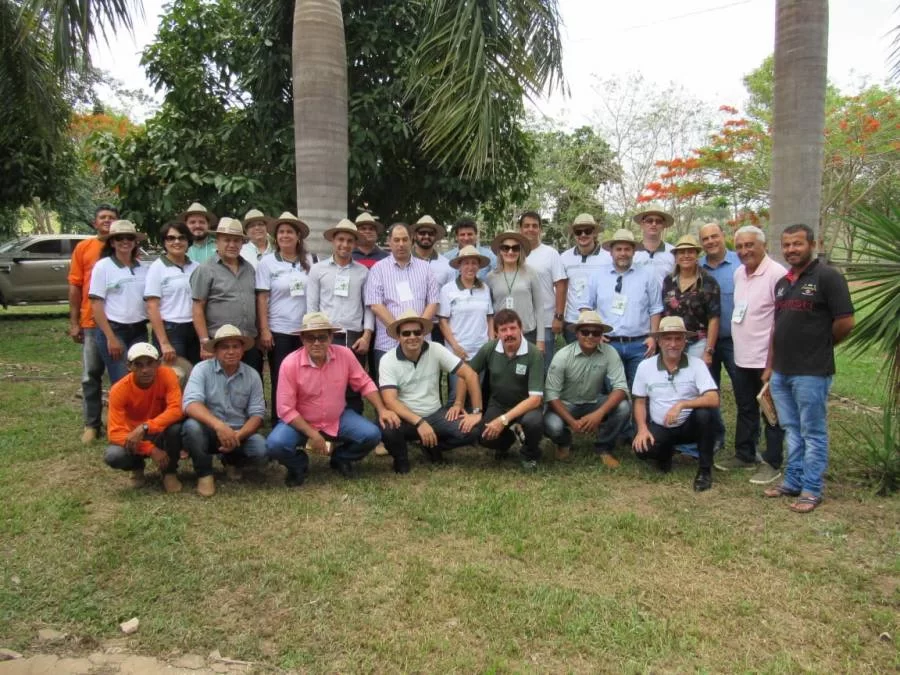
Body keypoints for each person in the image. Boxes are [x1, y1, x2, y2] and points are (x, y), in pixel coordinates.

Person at [763, 224, 854, 513]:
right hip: (782, 371)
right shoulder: (784, 282)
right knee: (791, 429)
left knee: (812, 431)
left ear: (812, 244)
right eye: (787, 245)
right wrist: (771, 365)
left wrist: (821, 346)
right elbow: (778, 327)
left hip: (812, 371)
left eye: (797, 244)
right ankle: (792, 481)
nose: (791, 250)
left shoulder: (828, 277)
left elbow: (845, 322)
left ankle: (811, 489)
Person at [265, 313, 400, 485]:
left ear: (331, 337)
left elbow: (365, 383)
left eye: (322, 337)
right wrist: (312, 434)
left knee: (372, 435)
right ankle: (298, 465)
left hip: (336, 418)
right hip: (300, 422)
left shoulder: (345, 355)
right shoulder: (289, 364)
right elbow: (285, 409)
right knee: (274, 445)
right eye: (310, 338)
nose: (316, 343)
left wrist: (382, 409)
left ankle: (341, 458)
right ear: (302, 339)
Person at [714, 225, 786, 484]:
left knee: (771, 410)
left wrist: (772, 362)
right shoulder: (738, 274)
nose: (744, 251)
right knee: (746, 407)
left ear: (763, 245)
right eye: (740, 246)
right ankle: (745, 454)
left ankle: (772, 461)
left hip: (765, 358)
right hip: (741, 355)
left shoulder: (777, 275)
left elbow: (781, 321)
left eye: (750, 245)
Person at [379, 311, 484, 470]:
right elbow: (390, 400)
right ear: (398, 337)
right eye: (406, 333)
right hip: (406, 418)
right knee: (387, 429)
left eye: (417, 332)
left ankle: (432, 446)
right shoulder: (387, 360)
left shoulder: (436, 349)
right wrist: (419, 422)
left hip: (435, 414)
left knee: (474, 430)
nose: (412, 336)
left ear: (424, 334)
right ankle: (401, 459)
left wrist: (475, 411)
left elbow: (470, 375)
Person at [631, 317, 720, 492]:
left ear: (685, 341)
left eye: (678, 338)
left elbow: (714, 398)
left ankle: (704, 470)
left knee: (705, 414)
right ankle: (665, 454)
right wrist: (642, 429)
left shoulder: (697, 364)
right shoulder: (645, 366)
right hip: (661, 426)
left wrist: (682, 405)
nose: (673, 344)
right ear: (659, 341)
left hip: (689, 426)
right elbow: (640, 401)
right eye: (668, 338)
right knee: (642, 451)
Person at [181, 325, 268, 497]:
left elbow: (257, 414)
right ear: (215, 350)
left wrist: (238, 436)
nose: (231, 351)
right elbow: (191, 404)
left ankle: (232, 461)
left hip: (238, 433)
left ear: (242, 350)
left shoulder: (252, 375)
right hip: (210, 430)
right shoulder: (201, 369)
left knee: (261, 450)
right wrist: (219, 426)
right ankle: (205, 473)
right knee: (192, 427)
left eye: (235, 346)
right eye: (225, 347)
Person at [544, 310, 631, 466]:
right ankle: (564, 442)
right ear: (577, 333)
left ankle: (604, 447)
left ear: (601, 335)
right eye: (585, 331)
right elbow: (551, 395)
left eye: (596, 333)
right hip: (565, 404)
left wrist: (599, 414)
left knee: (624, 407)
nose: (590, 336)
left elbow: (621, 388)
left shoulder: (610, 352)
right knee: (552, 426)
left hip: (593, 402)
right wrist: (572, 422)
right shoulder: (563, 356)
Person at [307, 219, 375, 413]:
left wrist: (367, 335)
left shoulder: (363, 272)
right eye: (341, 239)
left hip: (354, 335)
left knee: (353, 384)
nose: (345, 245)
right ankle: (325, 425)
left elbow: (368, 306)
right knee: (323, 382)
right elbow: (312, 307)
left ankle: (353, 424)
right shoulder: (318, 270)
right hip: (326, 334)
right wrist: (314, 336)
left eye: (349, 241)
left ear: (354, 244)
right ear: (333, 241)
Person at [255, 212, 315, 423]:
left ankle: (304, 420)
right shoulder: (267, 263)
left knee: (306, 377)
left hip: (305, 331)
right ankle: (280, 421)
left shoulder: (311, 259)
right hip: (278, 330)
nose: (285, 235)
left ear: (298, 236)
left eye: (290, 231)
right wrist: (264, 330)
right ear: (276, 236)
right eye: (281, 232)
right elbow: (262, 298)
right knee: (281, 377)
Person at [467, 309, 545, 471]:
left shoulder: (534, 354)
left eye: (512, 328)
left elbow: (535, 399)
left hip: (526, 407)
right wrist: (462, 403)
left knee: (533, 423)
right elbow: (467, 372)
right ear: (496, 333)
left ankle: (529, 453)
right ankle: (507, 439)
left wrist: (502, 420)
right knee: (483, 435)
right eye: (503, 330)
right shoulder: (489, 349)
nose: (509, 333)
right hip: (499, 403)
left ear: (520, 329)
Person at [103, 343, 184, 493]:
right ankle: (137, 467)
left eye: (150, 364)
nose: (145, 370)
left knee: (176, 429)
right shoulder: (119, 390)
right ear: (129, 366)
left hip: (159, 431)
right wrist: (150, 449)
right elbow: (114, 433)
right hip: (133, 437)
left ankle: (169, 472)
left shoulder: (168, 375)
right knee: (114, 455)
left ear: (158, 363)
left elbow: (176, 409)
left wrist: (145, 426)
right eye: (138, 365)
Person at [587, 228, 662, 388]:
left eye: (627, 249)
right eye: (618, 249)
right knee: (612, 391)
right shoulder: (597, 276)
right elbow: (586, 307)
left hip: (640, 345)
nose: (623, 253)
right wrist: (595, 334)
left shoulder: (647, 276)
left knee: (640, 391)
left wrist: (653, 337)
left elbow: (655, 309)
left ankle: (637, 414)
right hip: (608, 344)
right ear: (611, 252)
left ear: (634, 251)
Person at [68, 203, 118, 444]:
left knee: (120, 376)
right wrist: (74, 321)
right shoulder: (84, 248)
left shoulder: (126, 248)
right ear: (94, 222)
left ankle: (117, 422)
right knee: (91, 375)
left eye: (112, 217)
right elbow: (75, 286)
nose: (107, 221)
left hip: (119, 323)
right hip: (90, 321)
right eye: (103, 217)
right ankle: (91, 424)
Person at [191, 217, 262, 374]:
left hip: (246, 341)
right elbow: (197, 307)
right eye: (227, 240)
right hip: (219, 343)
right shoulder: (206, 269)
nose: (232, 245)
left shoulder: (249, 268)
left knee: (249, 385)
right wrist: (204, 341)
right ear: (217, 241)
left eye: (237, 241)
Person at [364, 223, 440, 366]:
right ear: (389, 242)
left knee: (423, 387)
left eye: (405, 239)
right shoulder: (378, 269)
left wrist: (417, 333)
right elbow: (376, 305)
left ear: (411, 240)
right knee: (390, 388)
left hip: (421, 344)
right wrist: (400, 333)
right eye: (397, 240)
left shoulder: (426, 268)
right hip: (388, 344)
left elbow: (433, 302)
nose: (401, 244)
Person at [88, 220, 149, 385]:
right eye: (119, 238)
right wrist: (110, 337)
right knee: (122, 381)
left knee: (140, 379)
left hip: (139, 330)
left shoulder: (143, 268)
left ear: (135, 241)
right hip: (114, 330)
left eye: (129, 237)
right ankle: (119, 411)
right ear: (112, 242)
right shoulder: (103, 267)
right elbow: (96, 304)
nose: (125, 242)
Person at [699, 222, 741, 450]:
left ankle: (747, 443)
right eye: (705, 239)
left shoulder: (740, 262)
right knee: (708, 390)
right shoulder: (697, 268)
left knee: (744, 392)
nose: (711, 242)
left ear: (723, 236)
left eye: (714, 236)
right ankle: (716, 436)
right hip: (706, 341)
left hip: (738, 341)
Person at [438, 246, 494, 404]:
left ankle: (473, 425)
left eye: (474, 263)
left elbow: (489, 317)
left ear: (479, 266)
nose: (470, 267)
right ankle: (452, 427)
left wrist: (490, 342)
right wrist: (455, 346)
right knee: (456, 396)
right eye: (466, 263)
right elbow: (443, 321)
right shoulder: (448, 289)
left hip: (480, 351)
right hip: (458, 352)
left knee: (476, 392)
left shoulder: (484, 288)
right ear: (459, 266)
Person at [144, 221, 200, 364]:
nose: (177, 241)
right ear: (164, 242)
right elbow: (152, 306)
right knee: (176, 376)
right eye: (171, 238)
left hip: (194, 329)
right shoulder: (157, 268)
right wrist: (164, 343)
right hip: (170, 330)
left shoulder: (196, 267)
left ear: (188, 241)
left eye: (182, 237)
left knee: (195, 375)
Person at [518, 211, 567, 372]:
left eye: (534, 226)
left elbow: (561, 284)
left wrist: (558, 317)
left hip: (545, 321)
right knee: (521, 367)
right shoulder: (513, 253)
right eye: (526, 226)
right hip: (520, 322)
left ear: (540, 229)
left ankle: (545, 397)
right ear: (520, 229)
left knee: (544, 367)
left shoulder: (550, 254)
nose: (530, 229)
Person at [485, 231, 543, 350]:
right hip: (501, 336)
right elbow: (488, 311)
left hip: (528, 334)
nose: (510, 252)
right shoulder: (491, 277)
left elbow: (539, 308)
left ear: (520, 251)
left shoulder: (531, 273)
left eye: (515, 248)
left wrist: (540, 339)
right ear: (500, 251)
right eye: (506, 248)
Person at [560, 213, 611, 343]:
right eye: (578, 232)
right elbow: (562, 288)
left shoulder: (608, 258)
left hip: (599, 323)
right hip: (572, 322)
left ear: (594, 233)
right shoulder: (564, 258)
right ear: (574, 234)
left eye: (587, 231)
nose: (583, 235)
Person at [632, 207, 675, 283]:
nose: (654, 224)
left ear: (664, 225)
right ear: (642, 224)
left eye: (658, 221)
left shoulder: (673, 252)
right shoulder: (632, 252)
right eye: (649, 221)